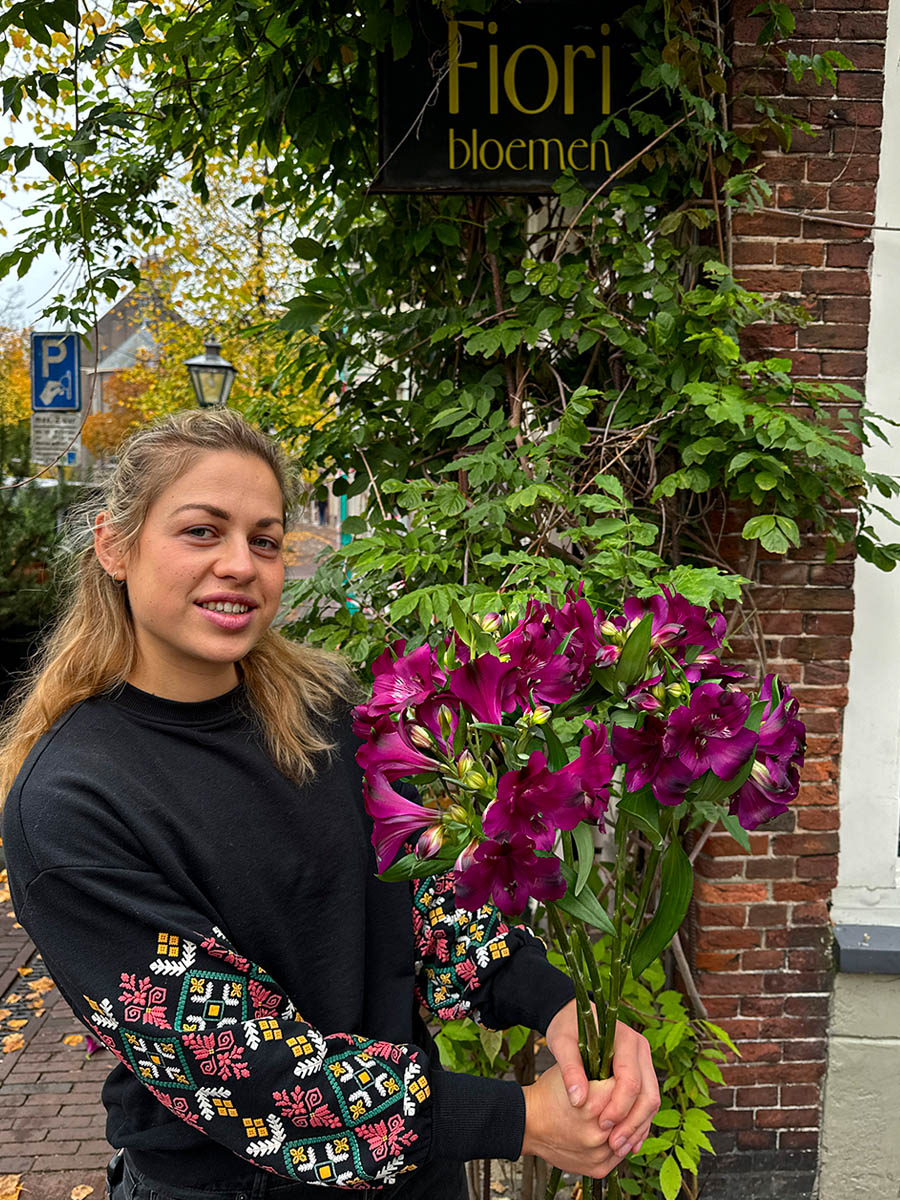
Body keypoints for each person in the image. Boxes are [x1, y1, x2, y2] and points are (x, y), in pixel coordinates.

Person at [0, 409, 659, 1200]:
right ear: (114, 544)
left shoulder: (327, 714)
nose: (240, 564)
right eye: (202, 531)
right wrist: (517, 1118)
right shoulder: (73, 800)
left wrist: (559, 1005)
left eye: (266, 539)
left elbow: (427, 902)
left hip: (415, 1179)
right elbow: (244, 1068)